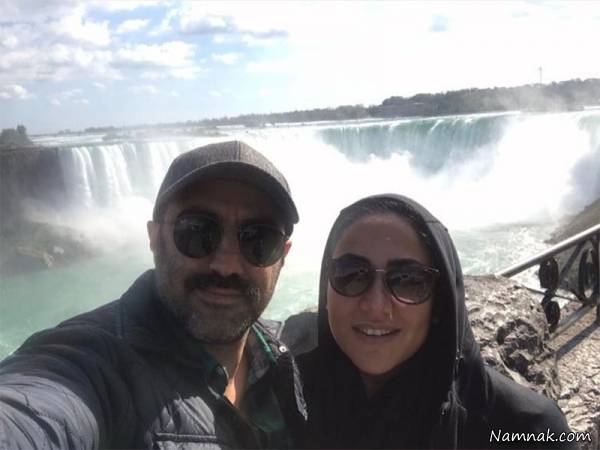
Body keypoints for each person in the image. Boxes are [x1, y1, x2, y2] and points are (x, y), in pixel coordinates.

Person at [0, 141, 307, 449]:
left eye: (258, 240)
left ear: (283, 255)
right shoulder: (92, 363)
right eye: (196, 232)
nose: (226, 266)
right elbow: (32, 412)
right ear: (154, 237)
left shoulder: (289, 357)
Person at [292, 194, 576, 449]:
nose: (376, 306)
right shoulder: (284, 391)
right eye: (351, 273)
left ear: (440, 302)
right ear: (326, 290)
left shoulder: (528, 430)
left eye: (408, 280)